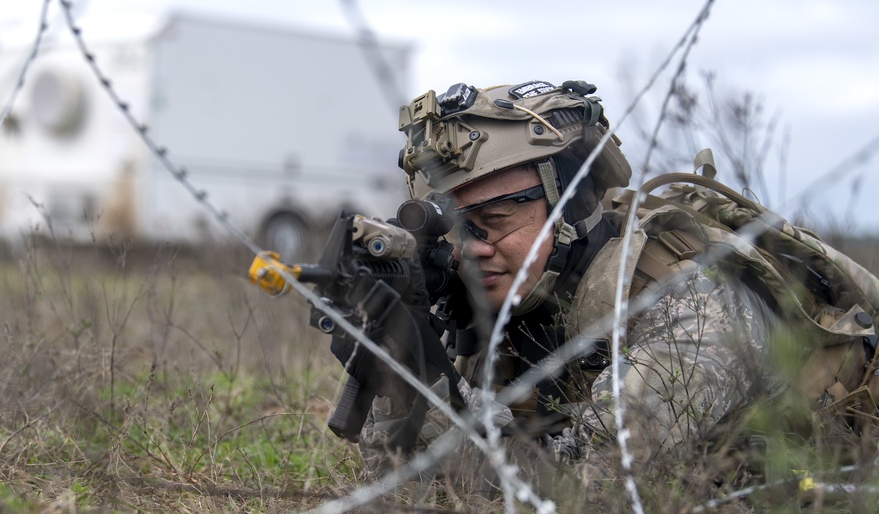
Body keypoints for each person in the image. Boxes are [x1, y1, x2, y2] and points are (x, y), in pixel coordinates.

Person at [341, 79, 875, 485]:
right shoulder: (503, 300)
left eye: (496, 223)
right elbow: (397, 471)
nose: (471, 250)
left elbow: (594, 485)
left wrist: (446, 409)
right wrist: (405, 362)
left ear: (570, 209)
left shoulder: (686, 298)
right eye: (455, 228)